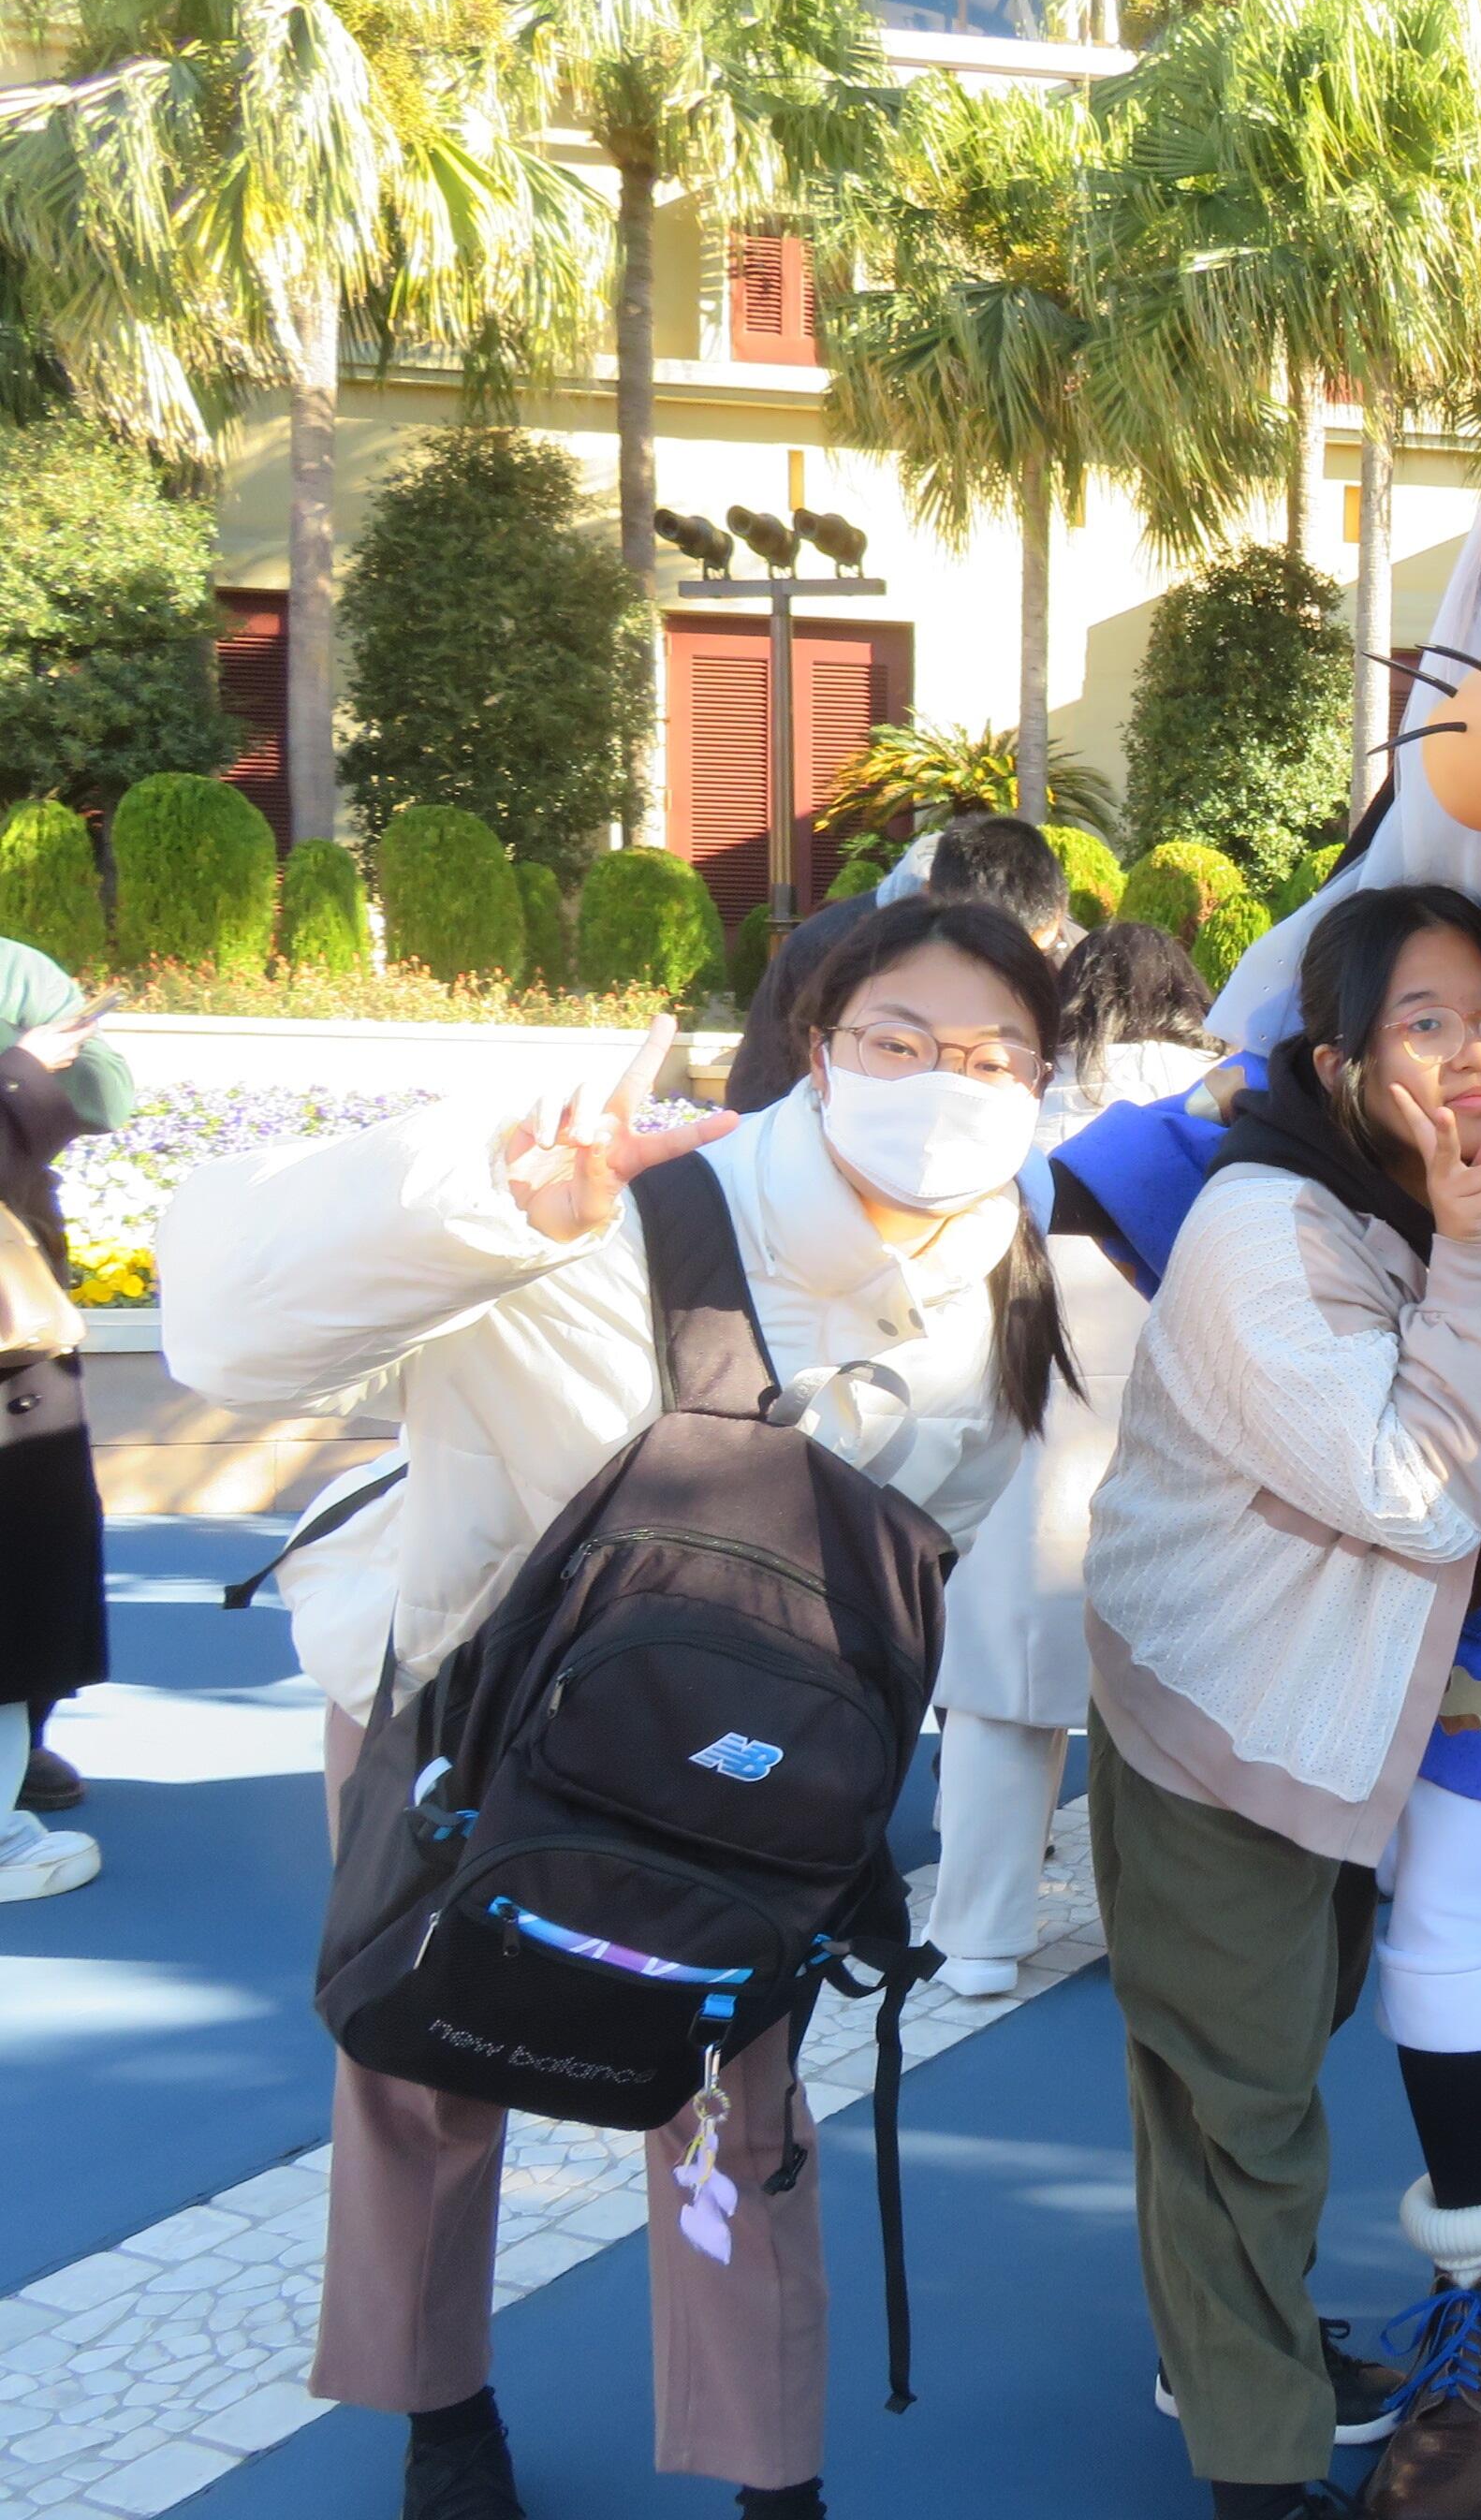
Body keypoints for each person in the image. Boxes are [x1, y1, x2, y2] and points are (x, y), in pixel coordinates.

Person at [160, 900, 1072, 2520]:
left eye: (999, 1055)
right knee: (424, 2062)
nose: (952, 1083)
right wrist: (485, 1213)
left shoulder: (1010, 1268)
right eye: (903, 1040)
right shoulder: (620, 1193)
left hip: (744, 1775)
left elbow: (926, 1556)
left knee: (732, 2108)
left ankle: (769, 2476)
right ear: (819, 1048)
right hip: (467, 1711)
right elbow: (231, 1333)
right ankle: (440, 2414)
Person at [1075, 883, 1481, 2520]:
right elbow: (1414, 1490)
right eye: (1426, 1021)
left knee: (1241, 2072)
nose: (1477, 1051)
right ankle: (1258, 2468)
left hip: (1293, 1725)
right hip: (1220, 1729)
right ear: (1336, 1061)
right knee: (1245, 2113)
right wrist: (1473, 1261)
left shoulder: (1375, 1195)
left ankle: (1226, 2345)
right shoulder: (1264, 1234)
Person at [924, 922, 1224, 2000]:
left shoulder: (1017, 1118)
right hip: (1189, 1458)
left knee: (1002, 1706)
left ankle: (979, 1940)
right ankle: (1171, 1930)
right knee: (1180, 1718)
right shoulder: (1222, 1116)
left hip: (1026, 1452)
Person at [0, 937, 132, 1902]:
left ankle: (21, 1755)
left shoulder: (16, 969)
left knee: (29, 1565)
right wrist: (21, 1071)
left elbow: (109, 1093)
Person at [727, 813, 1077, 1111]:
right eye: (895, 1046)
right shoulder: (826, 947)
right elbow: (763, 1083)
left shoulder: (1071, 952)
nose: (1013, 975)